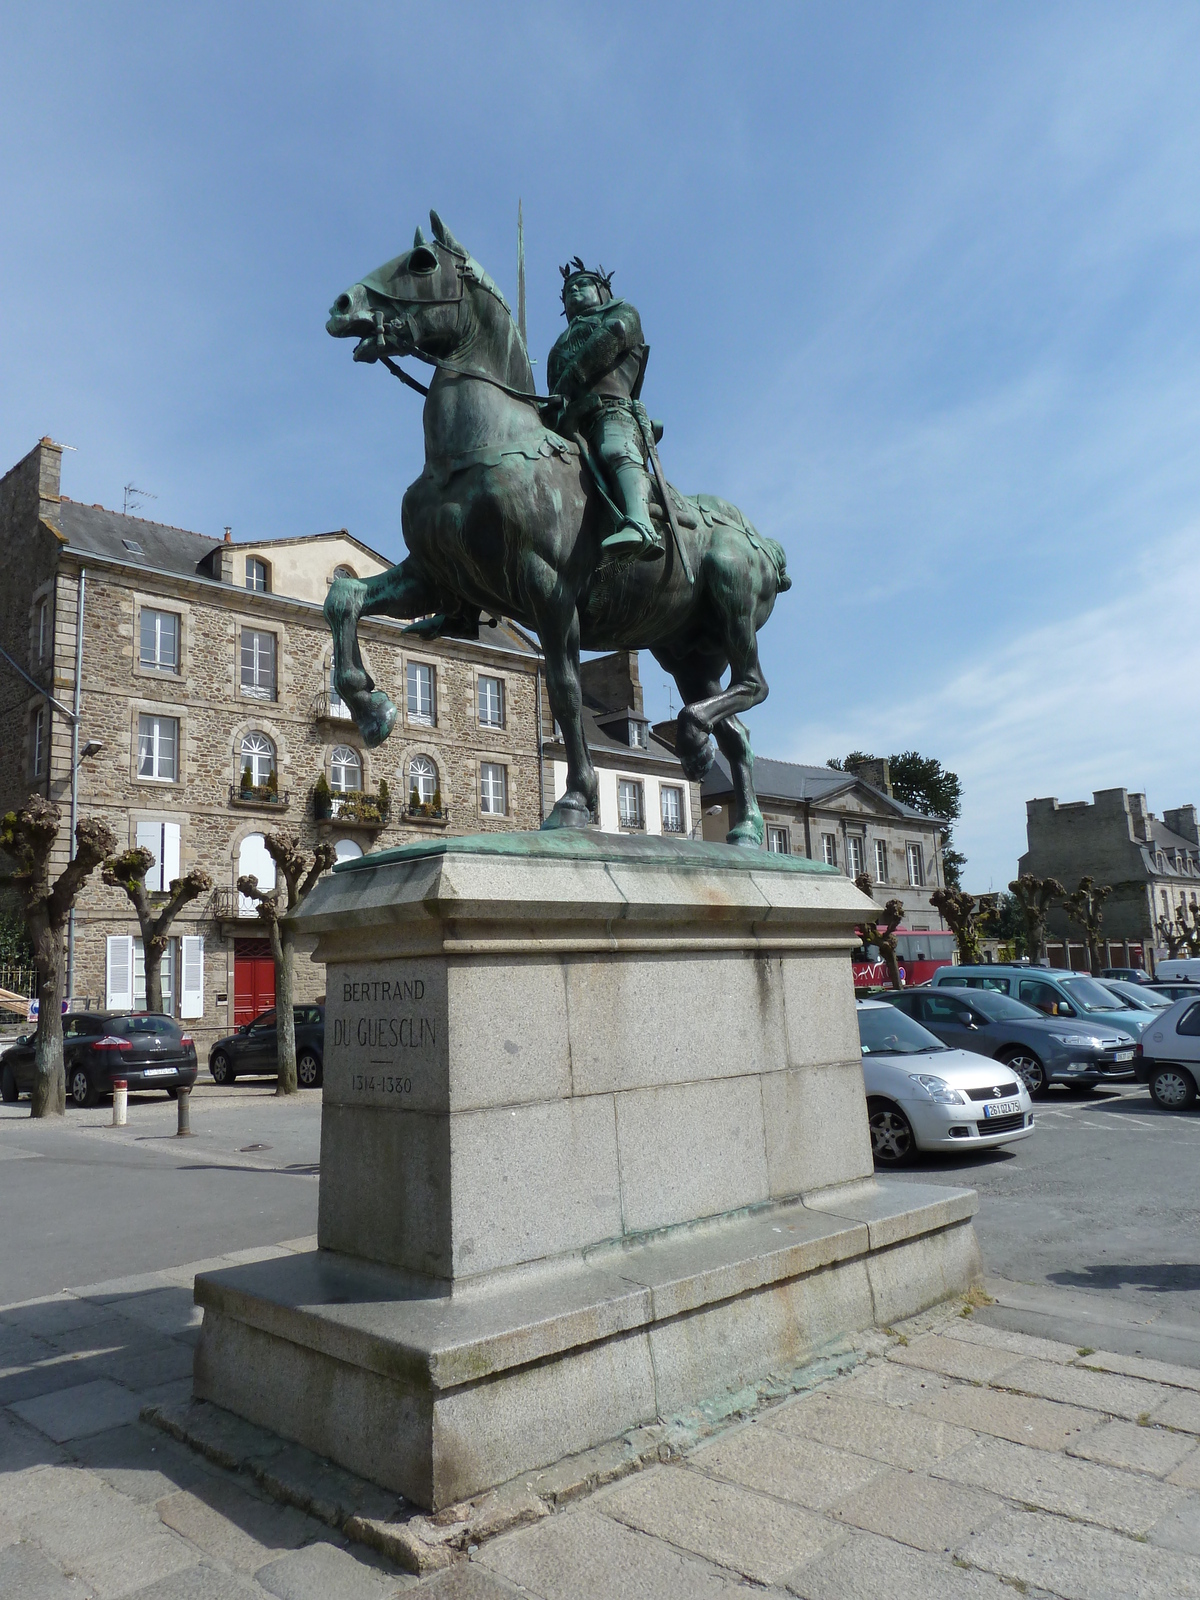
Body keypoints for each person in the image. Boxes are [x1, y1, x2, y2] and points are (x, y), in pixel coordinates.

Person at [544, 259, 663, 561]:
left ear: (603, 290)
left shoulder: (623, 313)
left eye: (582, 284)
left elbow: (614, 334)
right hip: (570, 424)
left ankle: (641, 524)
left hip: (612, 410)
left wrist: (571, 379)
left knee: (614, 447)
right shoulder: (557, 347)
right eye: (569, 289)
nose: (574, 291)